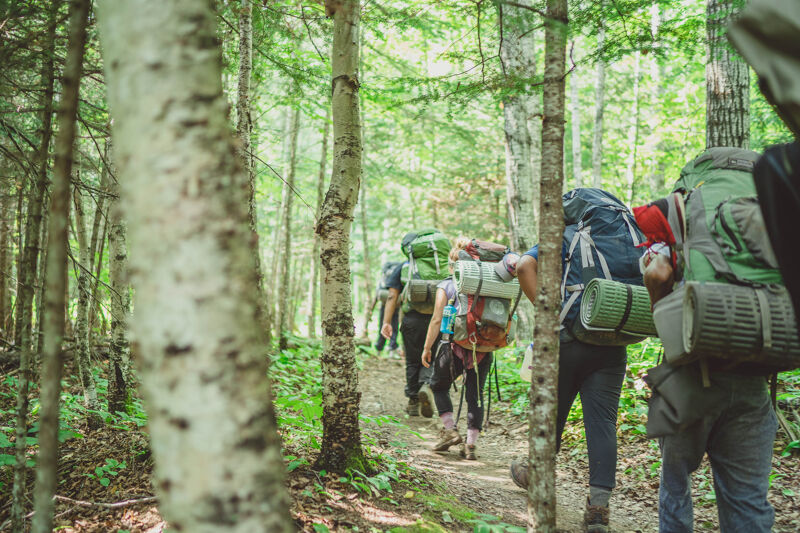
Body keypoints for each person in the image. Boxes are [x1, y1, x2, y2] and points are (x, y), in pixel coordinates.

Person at [635, 200, 777, 533]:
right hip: (753, 379)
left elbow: (658, 273)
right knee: (748, 500)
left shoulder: (691, 223)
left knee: (675, 485)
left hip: (691, 380)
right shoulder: (767, 226)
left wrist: (660, 307)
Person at [509, 246, 626, 533]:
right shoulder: (620, 234)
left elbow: (524, 267)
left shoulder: (565, 232)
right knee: (603, 425)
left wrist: (550, 315)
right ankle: (599, 510)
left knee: (553, 414)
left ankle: (537, 475)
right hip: (612, 343)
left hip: (568, 338)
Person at [420, 238, 491, 460]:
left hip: (453, 347)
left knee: (438, 386)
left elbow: (436, 319)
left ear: (454, 265)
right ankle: (470, 446)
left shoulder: (447, 284)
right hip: (483, 348)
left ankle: (450, 431)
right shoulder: (487, 283)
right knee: (475, 396)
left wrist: (427, 347)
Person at [381, 261, 436, 417]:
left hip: (412, 319)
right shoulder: (441, 266)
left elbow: (392, 295)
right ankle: (426, 384)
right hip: (436, 319)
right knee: (433, 356)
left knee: (412, 360)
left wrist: (386, 322)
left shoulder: (404, 267)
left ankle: (413, 402)